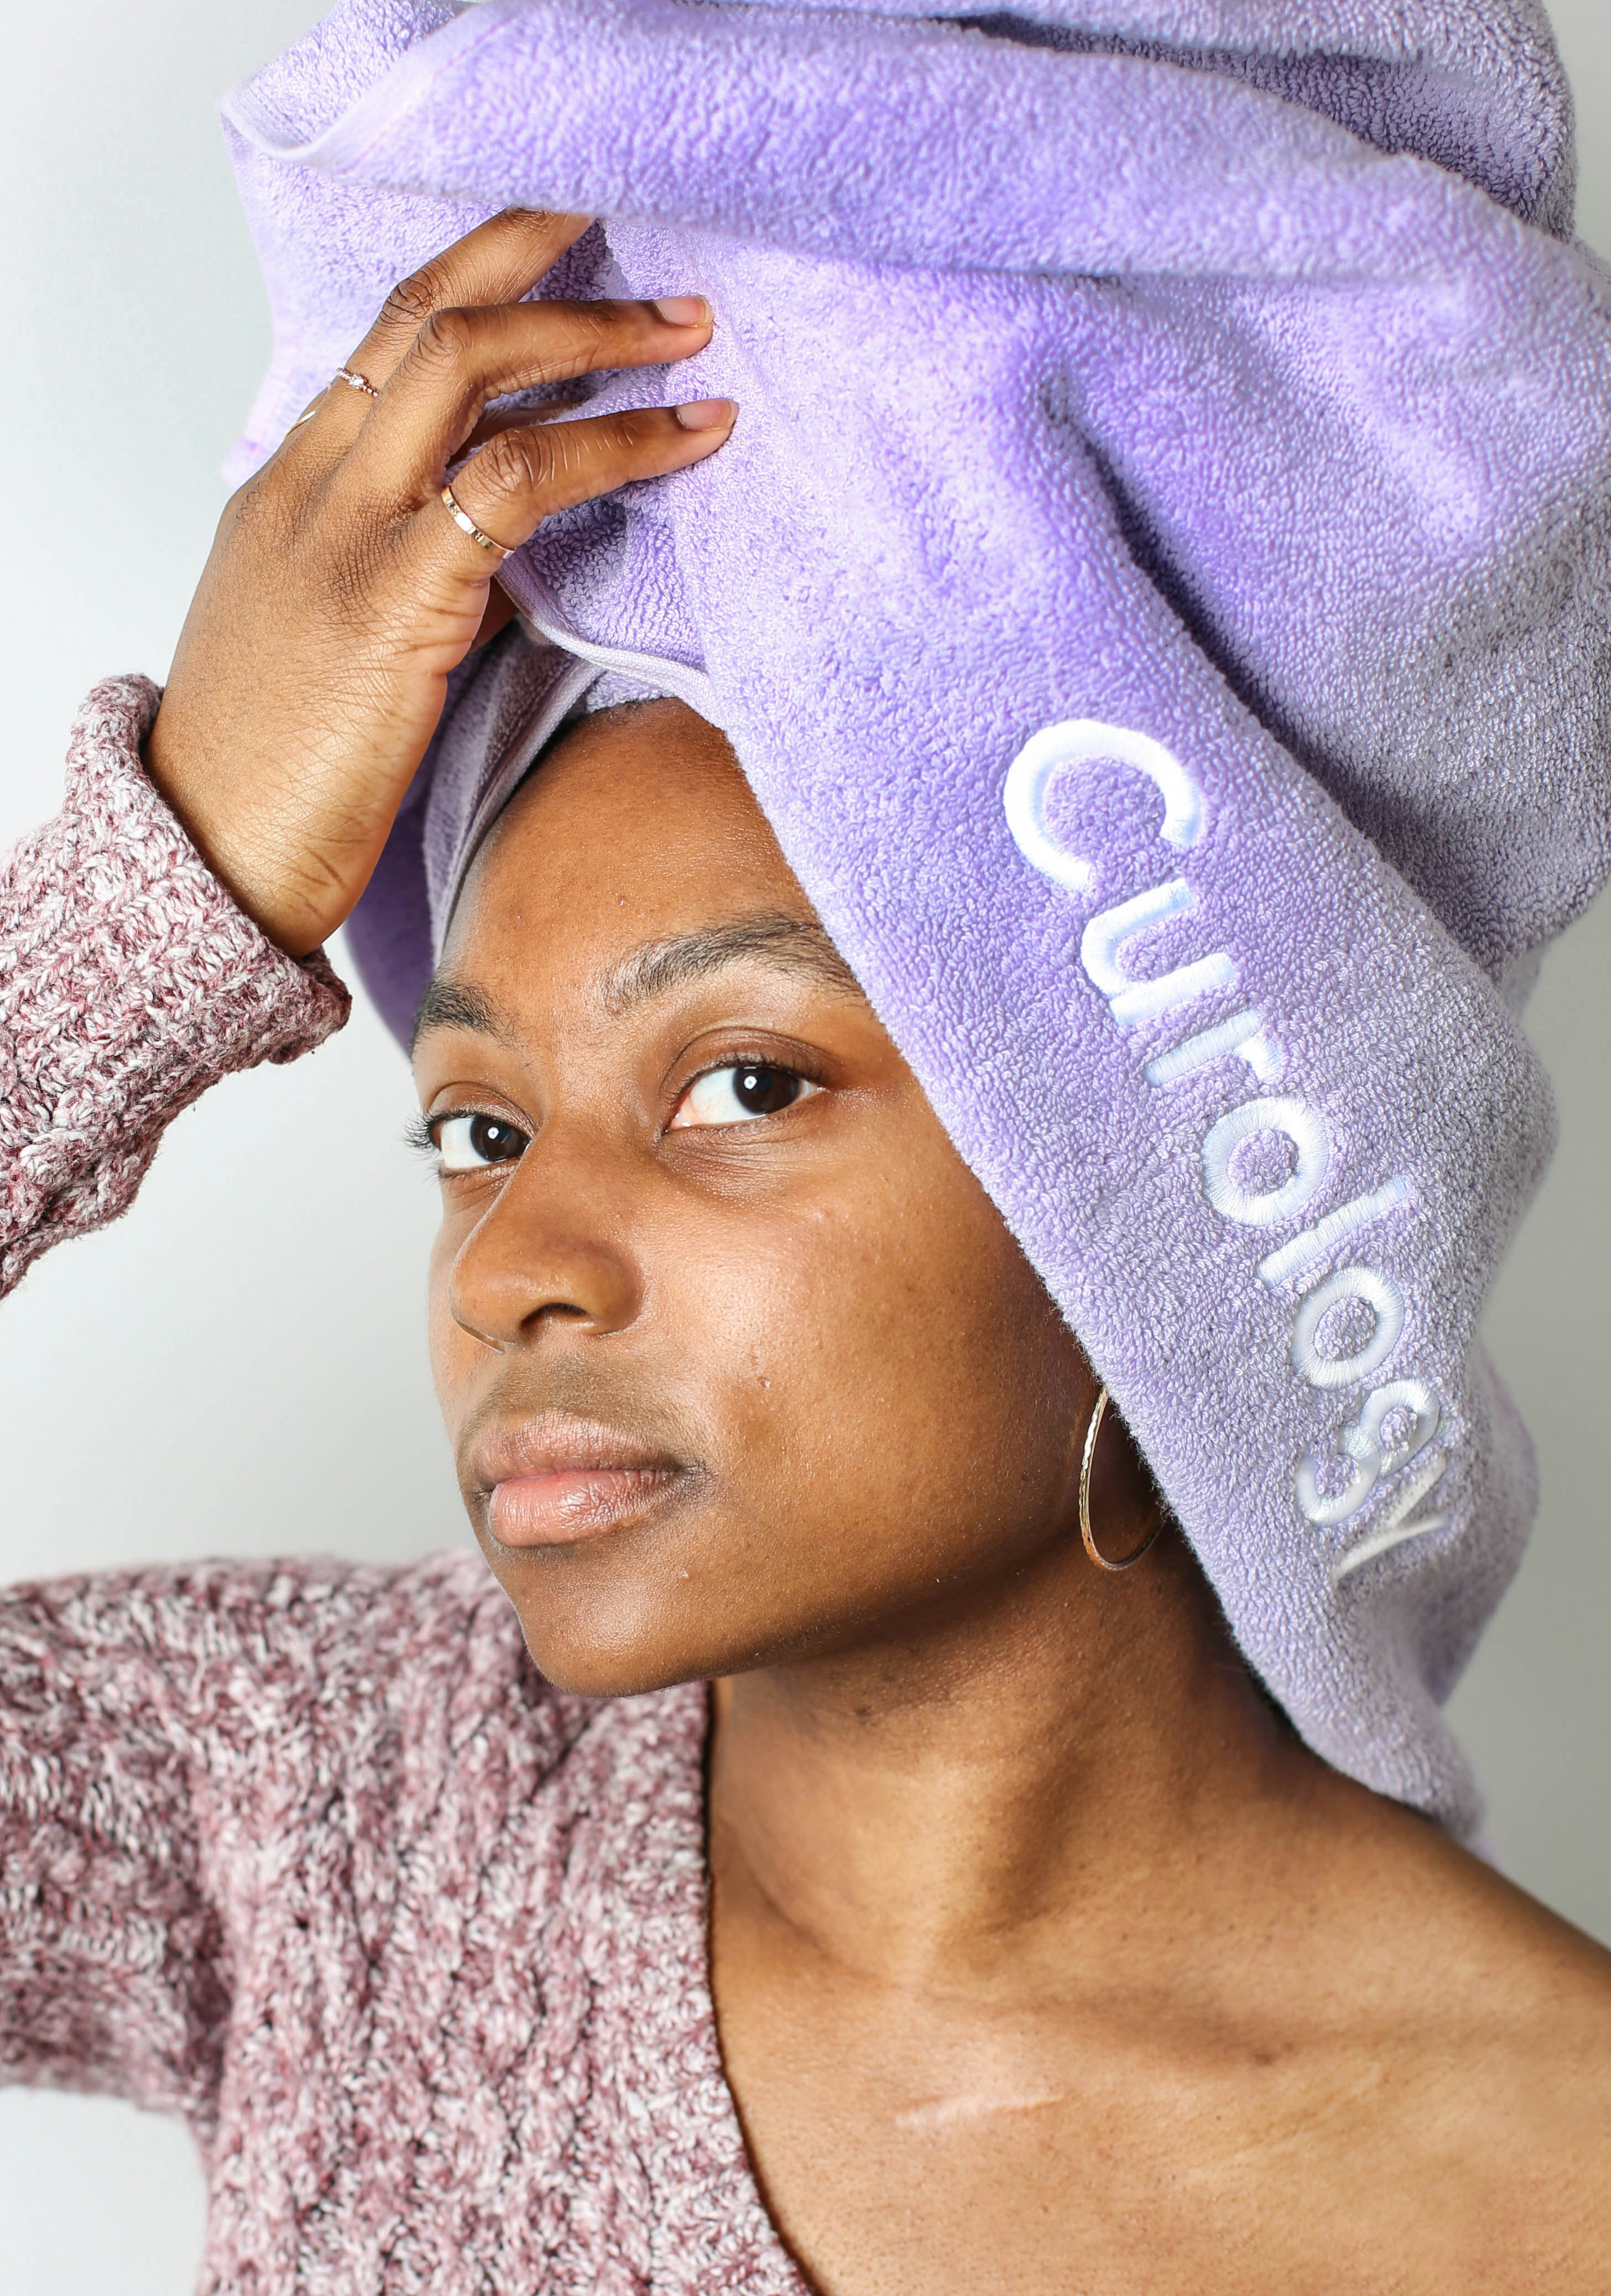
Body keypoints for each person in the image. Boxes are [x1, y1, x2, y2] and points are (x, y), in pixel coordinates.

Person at [3, 208, 1609, 2294]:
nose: (515, 1265)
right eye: (478, 1128)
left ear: (1173, 1192)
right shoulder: (338, 1811)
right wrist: (181, 867)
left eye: (744, 1084)